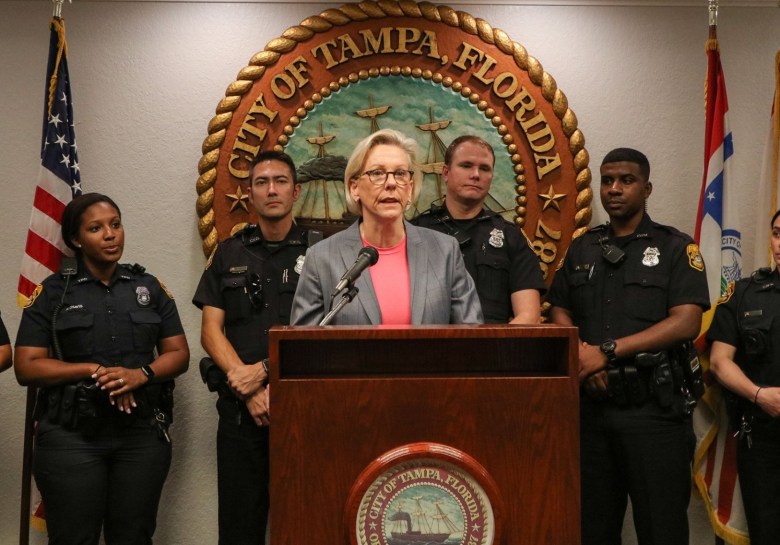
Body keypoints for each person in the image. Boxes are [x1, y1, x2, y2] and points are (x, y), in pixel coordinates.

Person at [547, 148, 709, 545]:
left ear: (647, 187)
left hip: (653, 411)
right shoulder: (582, 248)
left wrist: (605, 350)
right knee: (591, 529)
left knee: (662, 529)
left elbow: (686, 321)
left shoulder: (674, 247)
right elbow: (558, 311)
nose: (614, 189)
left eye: (626, 180)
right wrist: (583, 356)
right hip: (591, 412)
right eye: (607, 180)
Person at [14, 193, 190, 545]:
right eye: (96, 228)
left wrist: (141, 374)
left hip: (139, 436)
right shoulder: (52, 293)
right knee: (74, 538)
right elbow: (26, 366)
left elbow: (178, 354)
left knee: (133, 537)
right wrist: (92, 369)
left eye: (115, 224)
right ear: (77, 240)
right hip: (71, 437)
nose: (110, 235)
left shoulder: (148, 287)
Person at [192, 150, 320, 545]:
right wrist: (245, 387)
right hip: (240, 412)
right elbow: (211, 331)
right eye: (261, 183)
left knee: (307, 523)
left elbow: (326, 331)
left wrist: (262, 371)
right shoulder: (230, 252)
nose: (271, 190)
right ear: (249, 194)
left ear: (295, 190)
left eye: (280, 181)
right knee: (239, 527)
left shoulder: (321, 252)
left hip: (305, 408)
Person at [291, 128, 482, 326]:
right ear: (354, 187)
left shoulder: (445, 251)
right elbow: (303, 347)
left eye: (400, 173)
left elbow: (471, 336)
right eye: (377, 173)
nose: (391, 183)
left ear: (410, 187)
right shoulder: (321, 257)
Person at [412, 135, 546, 323]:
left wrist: (489, 349)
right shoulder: (415, 232)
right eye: (466, 166)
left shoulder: (510, 236)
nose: (476, 174)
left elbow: (529, 316)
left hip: (492, 348)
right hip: (425, 347)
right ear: (446, 172)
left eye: (484, 168)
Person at [707, 208, 780, 545]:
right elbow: (720, 362)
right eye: (777, 233)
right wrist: (758, 394)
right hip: (762, 439)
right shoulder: (746, 293)